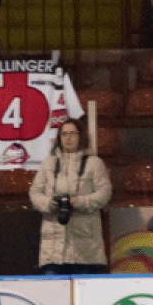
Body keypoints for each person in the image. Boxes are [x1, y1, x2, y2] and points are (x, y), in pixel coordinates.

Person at [29, 118, 112, 275]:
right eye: (64, 134)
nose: (68, 138)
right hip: (52, 252)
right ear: (59, 138)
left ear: (81, 136)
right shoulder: (48, 164)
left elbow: (104, 194)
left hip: (86, 252)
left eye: (72, 134)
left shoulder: (94, 163)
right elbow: (34, 192)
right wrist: (49, 203)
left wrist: (78, 201)